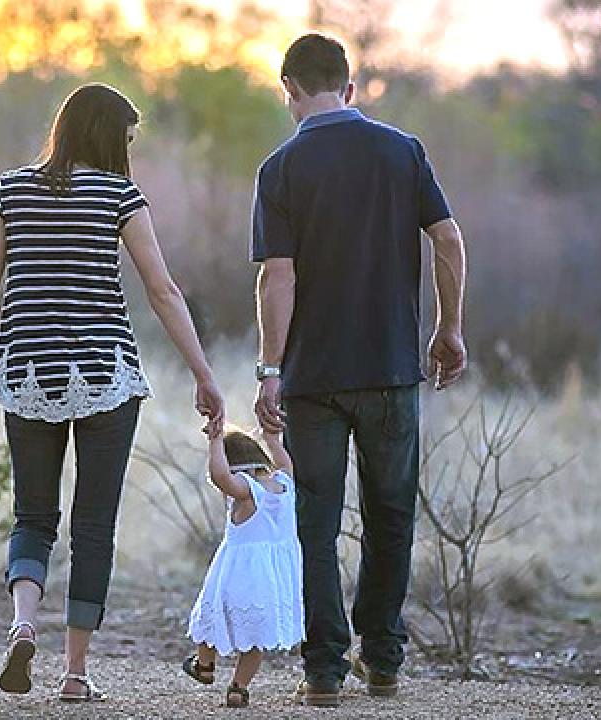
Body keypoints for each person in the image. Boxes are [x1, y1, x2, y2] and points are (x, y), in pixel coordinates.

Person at [0, 82, 226, 703]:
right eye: (127, 139)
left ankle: (24, 621)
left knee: (33, 516)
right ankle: (75, 673)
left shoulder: (8, 190)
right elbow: (163, 292)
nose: (129, 151)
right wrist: (203, 374)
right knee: (94, 526)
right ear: (109, 137)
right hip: (105, 374)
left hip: (26, 375)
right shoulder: (119, 195)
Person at [250, 34, 468, 707]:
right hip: (391, 370)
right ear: (350, 87)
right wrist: (448, 327)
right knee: (391, 514)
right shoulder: (402, 152)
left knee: (315, 523)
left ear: (288, 90)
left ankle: (322, 672)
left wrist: (269, 368)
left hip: (313, 379)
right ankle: (383, 660)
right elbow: (448, 239)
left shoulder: (280, 168)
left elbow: (276, 278)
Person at [181, 427, 304, 708]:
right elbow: (285, 462)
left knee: (211, 616)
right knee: (255, 636)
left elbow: (220, 477)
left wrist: (214, 443)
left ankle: (205, 664)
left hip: (238, 575)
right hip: (273, 579)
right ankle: (239, 687)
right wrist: (273, 438)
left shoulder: (247, 491)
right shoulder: (284, 484)